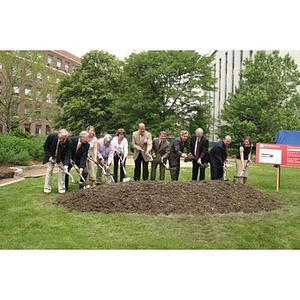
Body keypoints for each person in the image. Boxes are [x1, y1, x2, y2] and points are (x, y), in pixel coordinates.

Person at [43, 129, 72, 195]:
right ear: (59, 137)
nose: (64, 140)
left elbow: (68, 155)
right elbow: (45, 147)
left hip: (61, 158)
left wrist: (66, 166)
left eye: (65, 138)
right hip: (51, 156)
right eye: (63, 139)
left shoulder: (69, 142)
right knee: (49, 171)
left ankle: (61, 189)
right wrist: (49, 156)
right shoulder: (52, 136)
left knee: (62, 172)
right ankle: (47, 189)